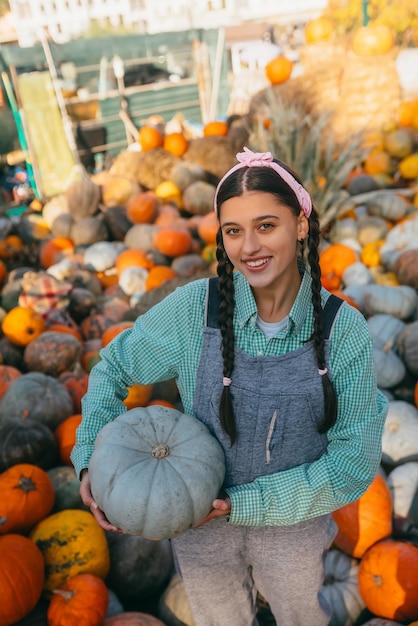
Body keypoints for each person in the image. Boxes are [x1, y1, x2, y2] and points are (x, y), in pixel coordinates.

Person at [71, 147, 388, 626]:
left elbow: (353, 462)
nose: (249, 247)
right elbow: (112, 366)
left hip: (294, 526)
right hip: (197, 525)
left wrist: (246, 504)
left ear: (301, 224)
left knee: (301, 614)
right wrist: (91, 459)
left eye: (266, 226)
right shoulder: (194, 312)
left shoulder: (343, 331)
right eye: (233, 231)